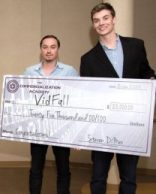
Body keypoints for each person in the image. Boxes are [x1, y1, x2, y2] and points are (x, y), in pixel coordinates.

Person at [80, 3, 155, 194]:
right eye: (96, 20)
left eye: (105, 18)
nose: (101, 23)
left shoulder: (136, 45)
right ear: (93, 25)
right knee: (98, 178)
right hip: (101, 127)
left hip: (131, 124)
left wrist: (151, 83)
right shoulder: (87, 59)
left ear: (113, 19)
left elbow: (146, 73)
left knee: (129, 179)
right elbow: (86, 96)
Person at [24, 35, 78, 194]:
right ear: (41, 50)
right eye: (45, 47)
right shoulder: (29, 71)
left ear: (58, 49)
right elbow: (22, 98)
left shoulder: (70, 71)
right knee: (35, 169)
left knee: (63, 169)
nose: (49, 50)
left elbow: (78, 101)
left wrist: (76, 132)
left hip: (62, 129)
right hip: (37, 128)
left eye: (53, 47)